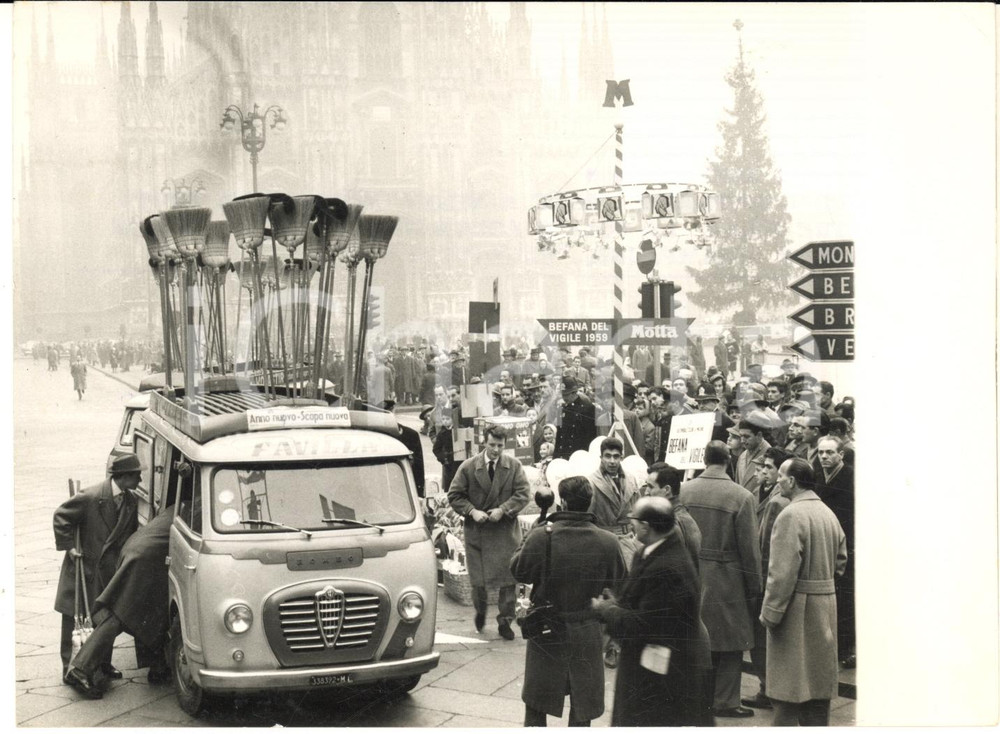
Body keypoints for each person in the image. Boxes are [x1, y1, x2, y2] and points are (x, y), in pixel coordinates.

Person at [510, 477, 626, 727]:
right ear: (589, 502)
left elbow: (519, 571)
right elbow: (620, 584)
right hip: (587, 628)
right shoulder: (608, 541)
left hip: (546, 627)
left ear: (562, 502)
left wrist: (530, 535)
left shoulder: (542, 536)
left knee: (537, 703)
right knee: (583, 705)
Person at [591, 496, 711, 726]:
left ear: (646, 526)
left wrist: (606, 610)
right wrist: (617, 603)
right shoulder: (651, 552)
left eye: (634, 519)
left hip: (660, 680)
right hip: (647, 670)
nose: (631, 523)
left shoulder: (668, 567)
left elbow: (646, 624)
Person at [761, 458, 847, 726]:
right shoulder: (827, 512)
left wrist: (770, 614)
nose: (777, 480)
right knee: (818, 690)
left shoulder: (790, 515)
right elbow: (841, 562)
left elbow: (781, 574)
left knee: (789, 691)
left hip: (796, 609)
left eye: (781, 475)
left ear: (792, 481)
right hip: (825, 605)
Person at [680, 440, 761, 719]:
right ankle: (725, 700)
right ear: (729, 461)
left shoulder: (684, 490)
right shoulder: (742, 497)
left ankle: (695, 694)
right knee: (731, 642)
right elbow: (750, 550)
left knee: (696, 636)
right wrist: (755, 587)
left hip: (691, 571)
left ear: (704, 460)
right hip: (728, 577)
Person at [63, 510, 174, 699]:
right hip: (144, 559)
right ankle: (81, 669)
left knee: (148, 611)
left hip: (138, 551)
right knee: (120, 615)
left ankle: (158, 667)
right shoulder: (201, 508)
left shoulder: (179, 506)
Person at [53, 453, 141, 684]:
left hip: (109, 570)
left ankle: (102, 663)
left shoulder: (131, 501)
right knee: (74, 617)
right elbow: (61, 516)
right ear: (124, 477)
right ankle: (70, 667)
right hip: (84, 566)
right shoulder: (91, 496)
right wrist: (70, 547)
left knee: (103, 616)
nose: (140, 480)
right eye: (137, 476)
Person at [447, 425, 530, 640]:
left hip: (505, 532)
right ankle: (481, 611)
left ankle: (505, 621)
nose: (495, 450)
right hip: (478, 532)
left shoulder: (514, 466)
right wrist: (471, 511)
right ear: (484, 442)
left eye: (500, 446)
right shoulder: (468, 467)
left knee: (508, 580)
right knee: (479, 582)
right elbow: (454, 495)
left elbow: (523, 494)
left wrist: (503, 509)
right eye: (492, 444)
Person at [744, 446, 791, 710]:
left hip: (764, 577)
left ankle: (767, 689)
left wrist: (759, 583)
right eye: (762, 466)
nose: (763, 471)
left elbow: (767, 548)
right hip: (764, 575)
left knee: (761, 637)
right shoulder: (759, 492)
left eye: (769, 467)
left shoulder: (777, 500)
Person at [813, 436, 856, 669]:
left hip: (846, 543)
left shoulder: (851, 478)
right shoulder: (817, 475)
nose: (824, 457)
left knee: (845, 598)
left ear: (841, 454)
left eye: (829, 452)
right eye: (821, 452)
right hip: (823, 540)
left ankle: (846, 648)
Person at [552, 377, 597, 460]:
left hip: (579, 456)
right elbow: (559, 437)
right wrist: (555, 457)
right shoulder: (561, 409)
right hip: (563, 456)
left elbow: (590, 436)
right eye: (563, 395)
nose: (564, 398)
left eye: (566, 395)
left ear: (574, 392)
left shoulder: (587, 408)